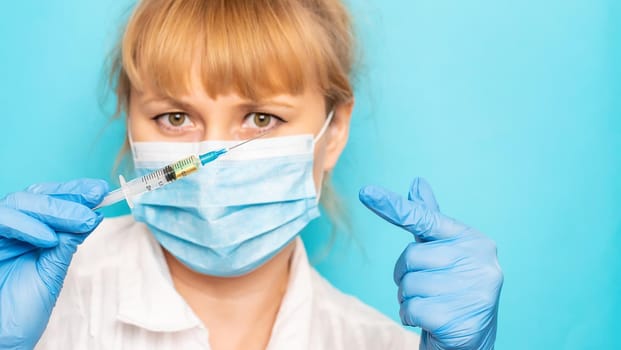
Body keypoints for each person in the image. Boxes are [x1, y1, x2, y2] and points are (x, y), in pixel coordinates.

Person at [0, 0, 503, 349]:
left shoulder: (380, 344)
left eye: (261, 118)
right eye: (175, 117)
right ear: (129, 120)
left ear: (334, 131)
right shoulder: (43, 307)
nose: (209, 160)